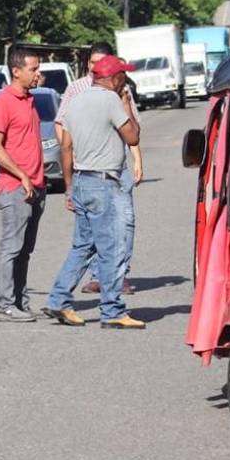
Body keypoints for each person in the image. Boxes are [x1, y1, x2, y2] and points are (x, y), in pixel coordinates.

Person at [44, 56, 145, 329]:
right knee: (112, 248)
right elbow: (133, 136)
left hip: (81, 180)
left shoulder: (75, 102)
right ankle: (112, 311)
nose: (125, 81)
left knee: (83, 246)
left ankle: (59, 300)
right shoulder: (111, 100)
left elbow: (66, 147)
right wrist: (126, 104)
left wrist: (68, 187)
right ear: (115, 78)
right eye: (123, 76)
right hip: (104, 182)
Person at [0, 47, 45, 322]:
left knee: (25, 250)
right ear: (16, 71)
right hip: (15, 188)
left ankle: (20, 302)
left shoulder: (30, 99)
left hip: (36, 186)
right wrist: (21, 175)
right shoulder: (2, 102)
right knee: (11, 247)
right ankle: (6, 307)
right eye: (33, 69)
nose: (38, 74)